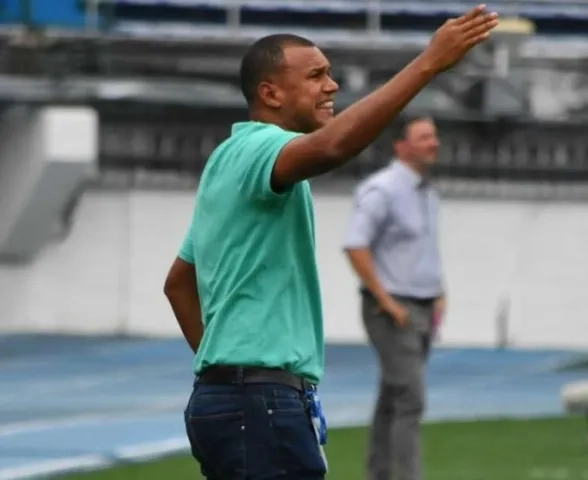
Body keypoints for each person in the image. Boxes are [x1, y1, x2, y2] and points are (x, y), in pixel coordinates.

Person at [161, 5, 498, 480]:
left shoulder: (225, 162)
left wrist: (221, 374)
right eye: (317, 75)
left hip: (230, 399)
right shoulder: (260, 149)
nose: (332, 85)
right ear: (270, 92)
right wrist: (428, 64)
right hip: (262, 403)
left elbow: (178, 283)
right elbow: (334, 146)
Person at [342, 115, 445, 480]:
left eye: (434, 136)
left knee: (392, 398)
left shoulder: (428, 192)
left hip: (422, 307)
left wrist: (440, 293)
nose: (434, 143)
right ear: (400, 145)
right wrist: (385, 300)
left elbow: (423, 250)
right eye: (424, 137)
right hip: (393, 310)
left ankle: (379, 474)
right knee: (411, 398)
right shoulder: (382, 189)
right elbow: (356, 244)